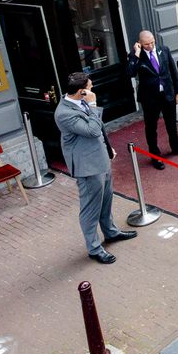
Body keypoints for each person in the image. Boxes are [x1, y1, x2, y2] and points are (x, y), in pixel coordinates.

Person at [54, 72, 136, 264]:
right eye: (90, 87)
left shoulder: (80, 102)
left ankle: (111, 232)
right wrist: (92, 105)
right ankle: (94, 248)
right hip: (87, 167)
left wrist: (108, 148)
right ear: (81, 91)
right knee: (91, 208)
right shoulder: (64, 113)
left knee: (106, 200)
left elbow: (100, 129)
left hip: (101, 159)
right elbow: (91, 131)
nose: (92, 90)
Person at [127, 30, 178, 170]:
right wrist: (137, 54)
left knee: (171, 124)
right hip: (150, 98)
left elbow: (173, 72)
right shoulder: (136, 55)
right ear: (140, 43)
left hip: (167, 94)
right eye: (146, 44)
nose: (150, 46)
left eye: (152, 43)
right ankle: (155, 156)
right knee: (151, 128)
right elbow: (131, 72)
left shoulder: (164, 50)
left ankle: (176, 147)